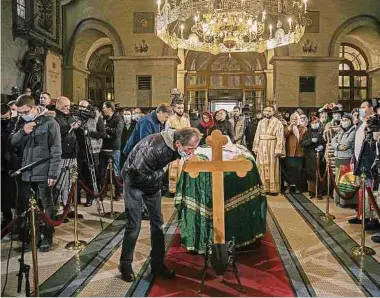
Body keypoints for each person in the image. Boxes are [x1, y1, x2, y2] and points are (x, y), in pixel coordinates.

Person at [119, 127, 202, 282]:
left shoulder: (175, 145)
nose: (191, 152)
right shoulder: (153, 148)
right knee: (134, 225)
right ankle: (125, 265)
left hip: (151, 182)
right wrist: (161, 172)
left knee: (158, 224)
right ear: (178, 143)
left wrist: (159, 174)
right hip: (134, 183)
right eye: (189, 149)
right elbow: (137, 173)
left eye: (194, 149)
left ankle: (157, 264)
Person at [10, 95, 61, 252]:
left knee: (46, 206)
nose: (22, 115)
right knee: (28, 207)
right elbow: (12, 142)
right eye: (19, 113)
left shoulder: (50, 123)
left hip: (44, 172)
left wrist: (53, 173)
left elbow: (56, 150)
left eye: (24, 112)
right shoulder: (22, 122)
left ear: (32, 108)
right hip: (26, 171)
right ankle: (34, 235)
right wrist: (23, 132)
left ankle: (47, 237)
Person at [76, 100, 106, 206]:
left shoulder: (97, 117)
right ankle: (76, 198)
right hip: (79, 149)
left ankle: (90, 197)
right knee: (78, 174)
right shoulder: (76, 117)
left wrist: (89, 133)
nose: (82, 109)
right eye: (80, 107)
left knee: (91, 174)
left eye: (84, 107)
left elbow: (103, 133)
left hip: (92, 150)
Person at [252, 106, 285, 195]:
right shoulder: (260, 122)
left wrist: (278, 149)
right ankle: (263, 187)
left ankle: (273, 189)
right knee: (261, 166)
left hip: (272, 146)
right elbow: (257, 135)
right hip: (262, 146)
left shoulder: (278, 123)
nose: (267, 112)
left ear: (273, 112)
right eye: (266, 111)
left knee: (272, 166)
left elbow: (280, 137)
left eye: (269, 111)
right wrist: (256, 146)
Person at [54, 96, 78, 207]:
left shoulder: (69, 116)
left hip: (72, 154)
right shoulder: (54, 117)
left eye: (68, 106)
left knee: (70, 182)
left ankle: (67, 206)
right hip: (61, 155)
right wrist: (69, 127)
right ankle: (57, 208)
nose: (67, 108)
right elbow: (56, 135)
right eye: (65, 106)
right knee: (60, 183)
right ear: (58, 104)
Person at [166, 100, 191, 194]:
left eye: (182, 108)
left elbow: (190, 134)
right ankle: (173, 191)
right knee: (174, 167)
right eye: (178, 108)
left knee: (183, 167)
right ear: (174, 108)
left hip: (184, 149)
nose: (180, 110)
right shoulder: (170, 120)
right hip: (173, 148)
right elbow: (167, 134)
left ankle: (182, 189)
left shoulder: (186, 120)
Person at [331, 113, 356, 206]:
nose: (344, 122)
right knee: (338, 180)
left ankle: (345, 201)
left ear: (350, 121)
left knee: (345, 181)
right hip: (338, 157)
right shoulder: (341, 131)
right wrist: (338, 146)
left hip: (346, 158)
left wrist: (338, 145)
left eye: (346, 120)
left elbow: (346, 144)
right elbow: (333, 140)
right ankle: (338, 200)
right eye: (343, 120)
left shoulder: (353, 131)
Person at [101, 101, 124, 201]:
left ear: (110, 108)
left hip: (114, 149)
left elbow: (117, 133)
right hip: (103, 148)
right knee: (103, 172)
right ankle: (103, 192)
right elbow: (100, 132)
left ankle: (118, 193)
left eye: (104, 107)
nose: (103, 109)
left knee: (115, 172)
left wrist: (105, 128)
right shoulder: (103, 118)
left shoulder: (118, 118)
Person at [301, 116, 326, 198]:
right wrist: (310, 140)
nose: (315, 124)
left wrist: (322, 147)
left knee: (320, 174)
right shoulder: (307, 132)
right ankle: (311, 191)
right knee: (311, 174)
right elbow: (303, 143)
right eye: (313, 123)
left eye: (316, 123)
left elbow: (324, 142)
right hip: (310, 157)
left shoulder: (321, 132)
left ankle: (319, 192)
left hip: (319, 156)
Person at [283, 113, 307, 191]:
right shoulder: (287, 127)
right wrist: (290, 127)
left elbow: (304, 138)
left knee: (298, 171)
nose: (294, 121)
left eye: (295, 119)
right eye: (292, 119)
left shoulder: (303, 128)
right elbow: (284, 134)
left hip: (299, 153)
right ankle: (288, 187)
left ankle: (297, 187)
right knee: (288, 170)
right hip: (290, 152)